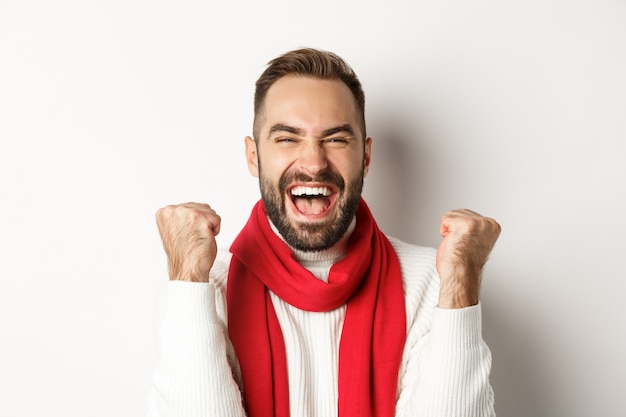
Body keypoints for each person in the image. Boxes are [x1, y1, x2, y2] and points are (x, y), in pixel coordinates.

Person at [147, 48, 501, 417]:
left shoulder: (434, 281)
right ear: (253, 157)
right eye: (287, 139)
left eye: (335, 139)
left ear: (365, 157)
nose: (314, 162)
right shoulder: (205, 285)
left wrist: (462, 282)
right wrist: (187, 280)